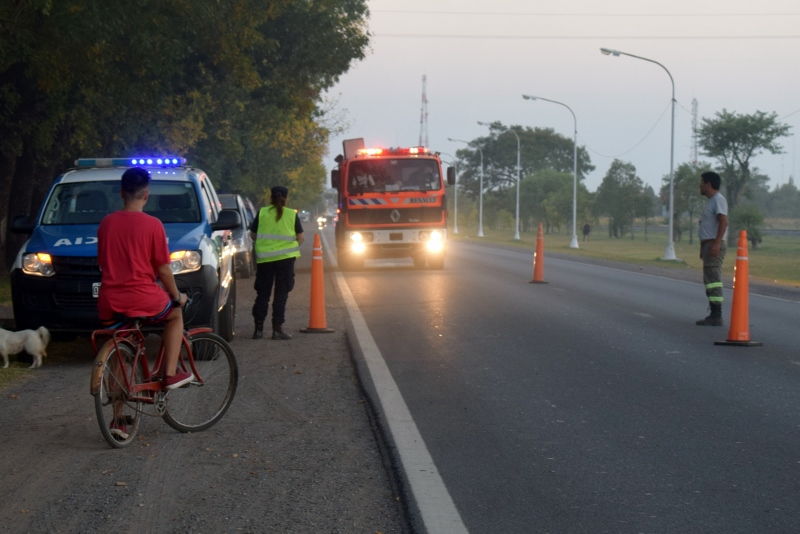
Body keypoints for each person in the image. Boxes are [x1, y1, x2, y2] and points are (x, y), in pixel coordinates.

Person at [97, 167, 192, 438]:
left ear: (121, 193)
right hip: (142, 296)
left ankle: (118, 420)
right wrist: (176, 296)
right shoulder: (153, 225)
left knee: (119, 341)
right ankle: (171, 373)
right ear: (146, 195)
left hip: (109, 299)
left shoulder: (106, 223)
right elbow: (163, 269)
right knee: (174, 315)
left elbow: (102, 262)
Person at [250, 186, 304, 340]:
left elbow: (253, 234)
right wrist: (289, 248)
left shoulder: (262, 213)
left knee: (262, 294)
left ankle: (258, 329)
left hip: (265, 260)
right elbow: (300, 237)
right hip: (286, 260)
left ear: (271, 197)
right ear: (286, 198)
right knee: (281, 295)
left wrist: (265, 244)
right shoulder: (291, 215)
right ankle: (277, 329)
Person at [696, 171, 728, 326]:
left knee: (713, 279)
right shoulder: (711, 201)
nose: (700, 185)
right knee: (709, 279)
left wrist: (716, 243)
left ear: (708, 184)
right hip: (708, 244)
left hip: (714, 244)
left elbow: (723, 221)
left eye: (702, 182)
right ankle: (714, 313)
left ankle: (716, 315)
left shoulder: (718, 200)